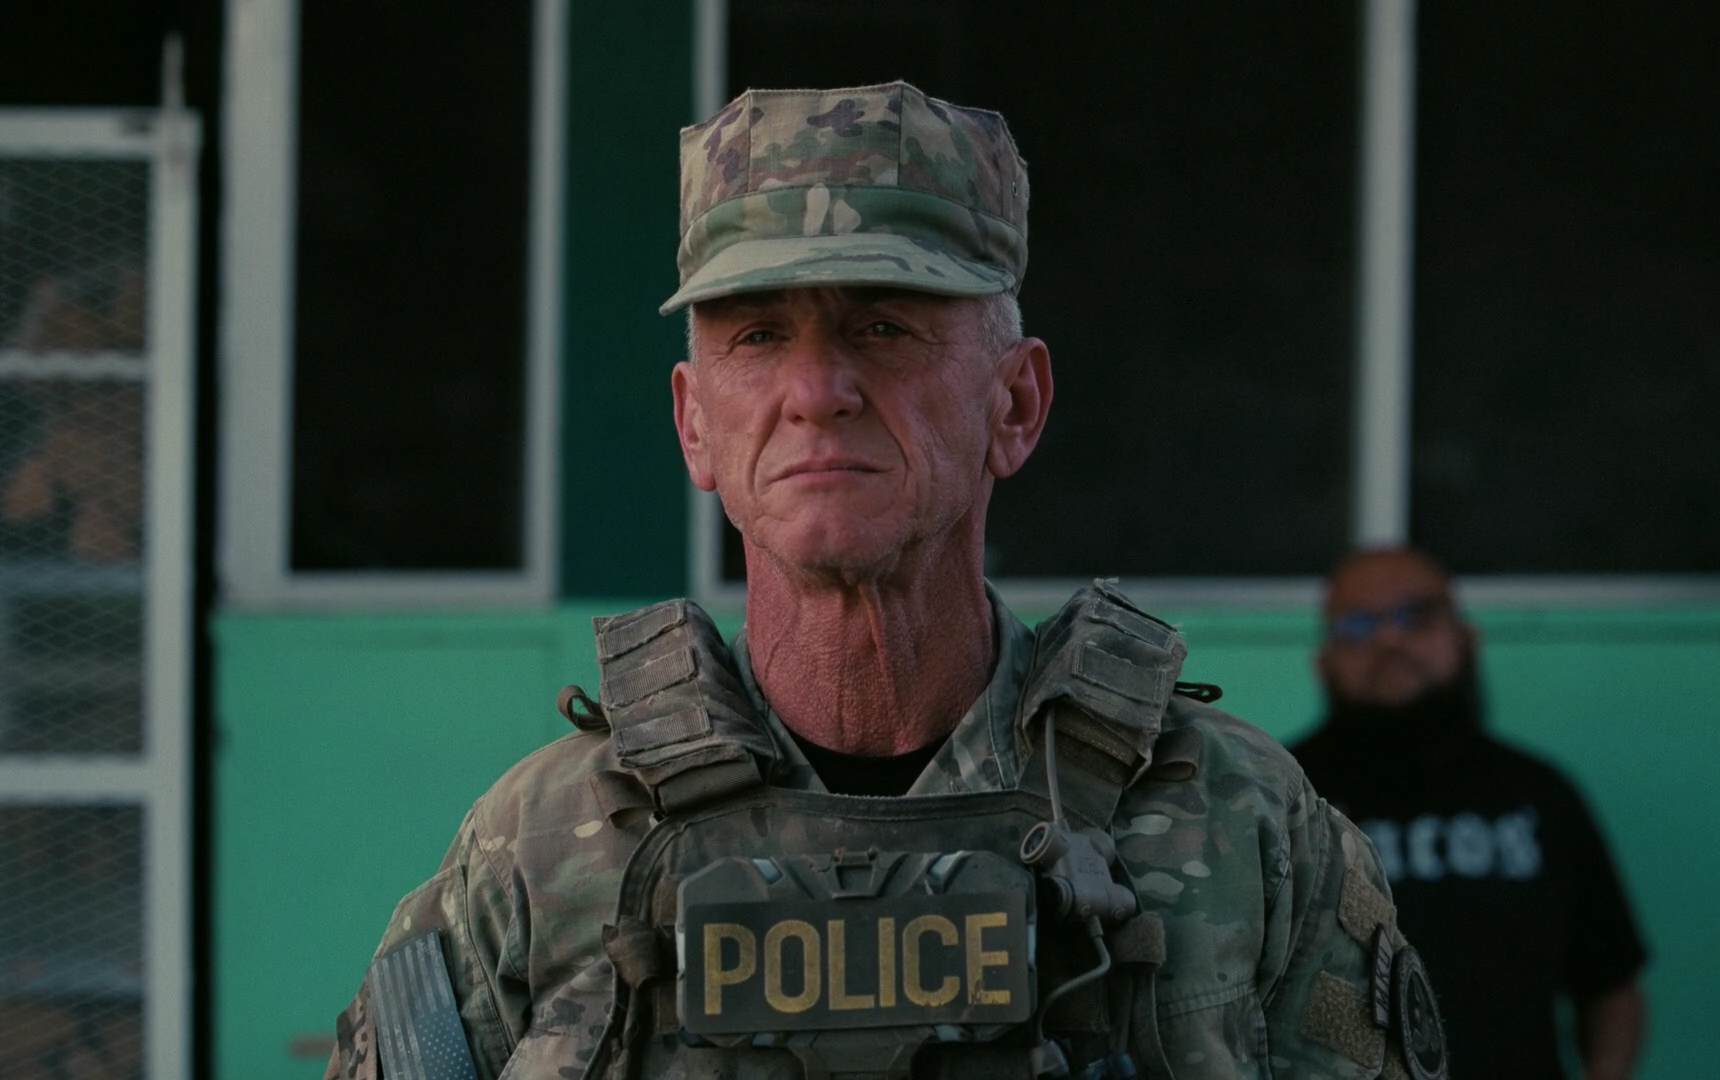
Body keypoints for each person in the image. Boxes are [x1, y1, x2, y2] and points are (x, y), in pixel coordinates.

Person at [325, 83, 1445, 1080]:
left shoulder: (1240, 825)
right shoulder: (538, 848)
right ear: (694, 423)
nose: (818, 388)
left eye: (884, 325)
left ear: (1015, 404)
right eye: (759, 335)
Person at [1289, 548, 1648, 1080]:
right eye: (1358, 623)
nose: (1389, 639)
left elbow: (1609, 982)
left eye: (1416, 615)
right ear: (1323, 661)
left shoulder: (1538, 796)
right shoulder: (1278, 798)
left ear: (1466, 638)